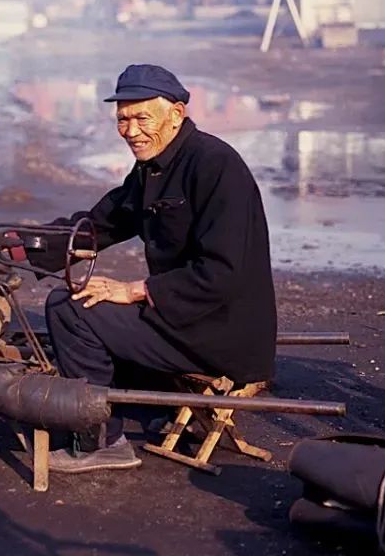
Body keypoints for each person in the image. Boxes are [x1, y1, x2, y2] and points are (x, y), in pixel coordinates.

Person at [14, 64, 277, 474]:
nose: (131, 131)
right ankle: (144, 406)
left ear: (176, 114)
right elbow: (103, 223)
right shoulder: (155, 165)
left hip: (220, 331)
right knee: (83, 306)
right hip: (184, 318)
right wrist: (22, 245)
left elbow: (222, 272)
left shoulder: (215, 165)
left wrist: (134, 289)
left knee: (69, 308)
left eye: (142, 118)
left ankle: (100, 442)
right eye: (122, 119)